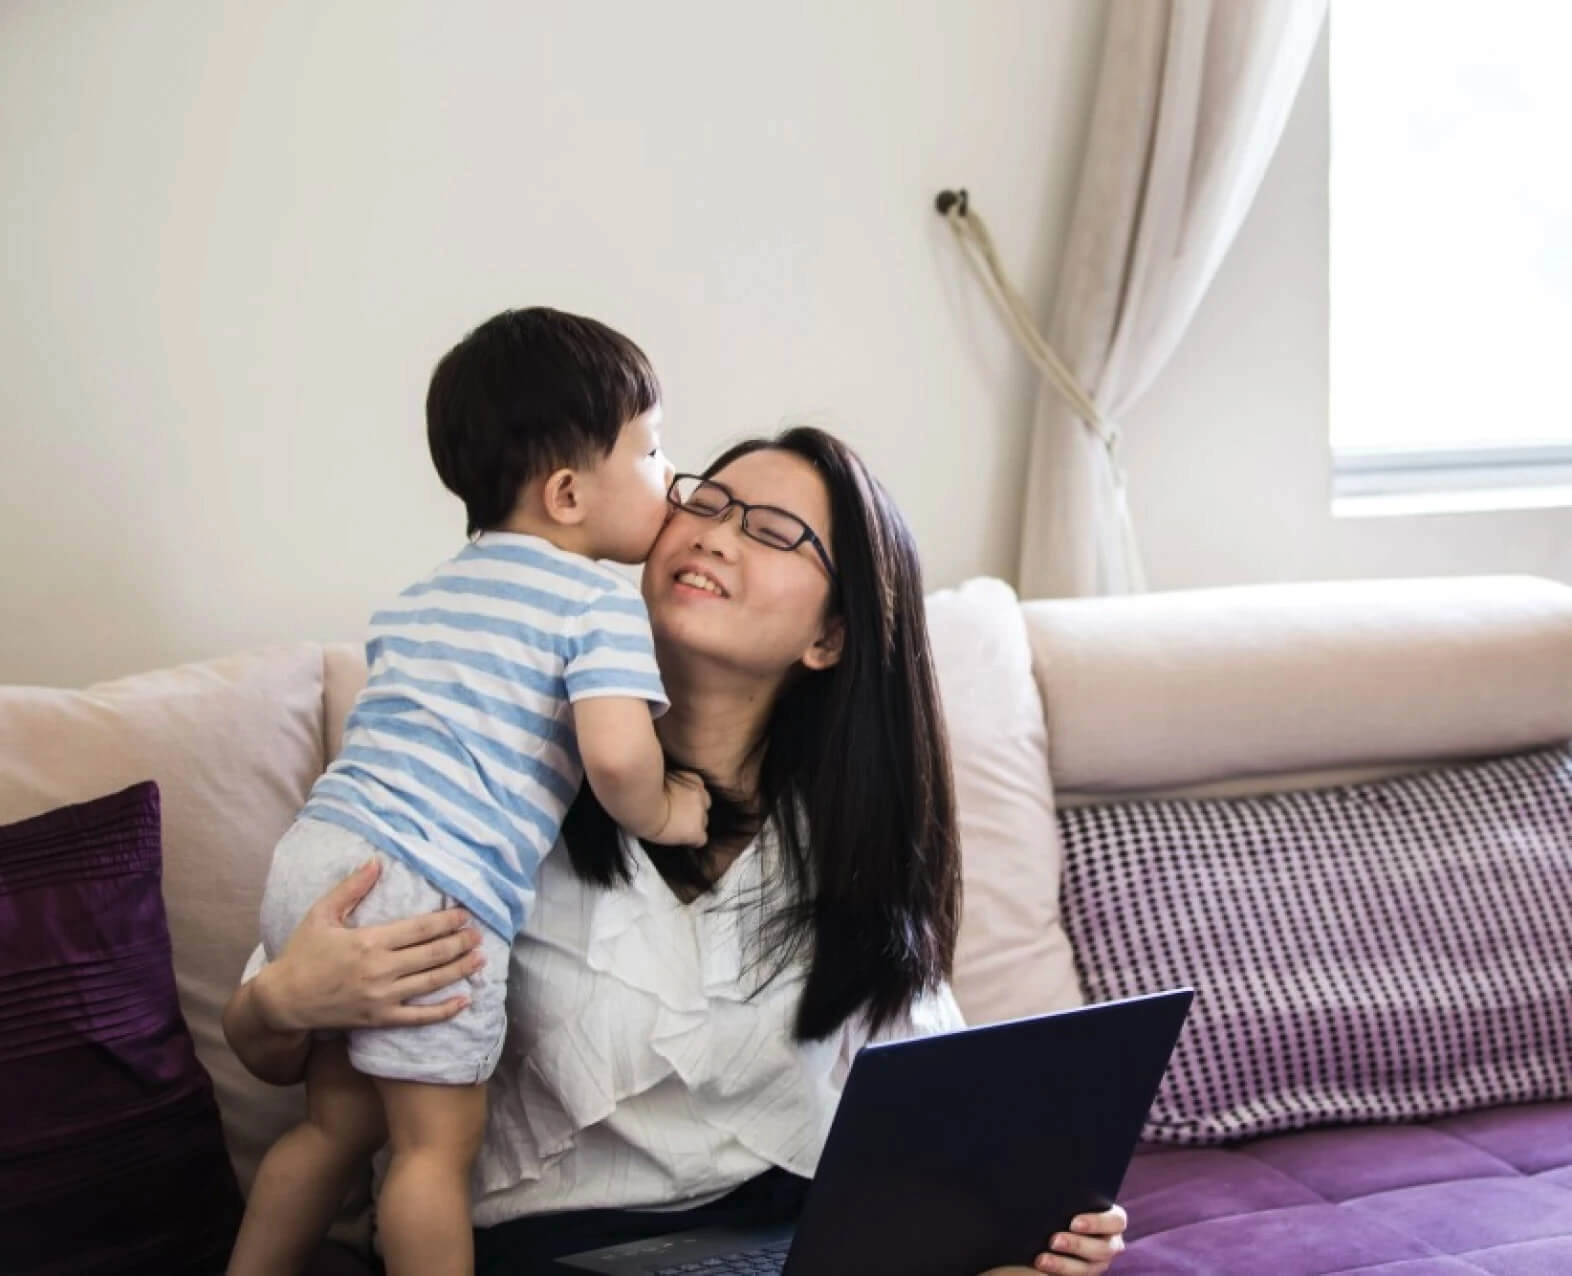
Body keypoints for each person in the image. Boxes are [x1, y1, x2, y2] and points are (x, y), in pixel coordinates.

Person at [224, 426, 1130, 1276]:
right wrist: (285, 999)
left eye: (774, 531)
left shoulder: (845, 844)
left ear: (829, 637)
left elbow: (945, 1106)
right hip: (541, 1249)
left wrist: (1038, 1225)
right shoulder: (494, 763)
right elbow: (269, 1047)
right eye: (704, 503)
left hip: (789, 1241)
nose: (718, 536)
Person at [228, 308, 711, 1276]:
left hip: (321, 861)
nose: (670, 479)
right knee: (431, 1152)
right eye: (653, 453)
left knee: (336, 1130)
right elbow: (616, 760)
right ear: (570, 492)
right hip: (430, 896)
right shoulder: (595, 601)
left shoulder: (416, 600)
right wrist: (671, 808)